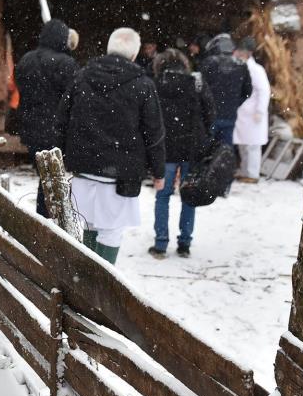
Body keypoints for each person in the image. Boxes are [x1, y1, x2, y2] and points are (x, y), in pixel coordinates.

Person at [55, 27, 165, 264]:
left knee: (89, 225)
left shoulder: (82, 76)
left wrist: (62, 155)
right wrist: (159, 172)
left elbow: (61, 120)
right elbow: (154, 132)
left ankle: (85, 281)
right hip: (120, 173)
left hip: (84, 166)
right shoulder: (143, 85)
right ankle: (100, 286)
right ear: (135, 55)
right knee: (111, 230)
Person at [150, 49, 214, 259]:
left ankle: (160, 243)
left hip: (166, 149)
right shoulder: (196, 84)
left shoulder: (156, 85)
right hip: (191, 149)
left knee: (162, 196)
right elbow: (210, 115)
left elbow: (150, 119)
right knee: (189, 196)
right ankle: (184, 244)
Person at [15, 19, 79, 217]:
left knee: (45, 177)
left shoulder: (26, 59)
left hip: (31, 127)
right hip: (56, 129)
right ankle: (48, 219)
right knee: (52, 178)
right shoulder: (66, 63)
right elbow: (73, 96)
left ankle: (45, 217)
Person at [198, 33, 251, 194]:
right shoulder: (241, 65)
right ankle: (225, 185)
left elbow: (200, 90)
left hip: (210, 116)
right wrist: (234, 103)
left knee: (207, 151)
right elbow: (248, 91)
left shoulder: (208, 63)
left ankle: (206, 183)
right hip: (229, 116)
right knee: (226, 152)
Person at [232, 36, 271, 183]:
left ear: (247, 53)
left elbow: (264, 91)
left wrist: (260, 111)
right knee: (243, 145)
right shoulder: (241, 67)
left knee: (253, 146)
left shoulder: (256, 69)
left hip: (254, 114)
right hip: (243, 113)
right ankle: (244, 170)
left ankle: (253, 174)